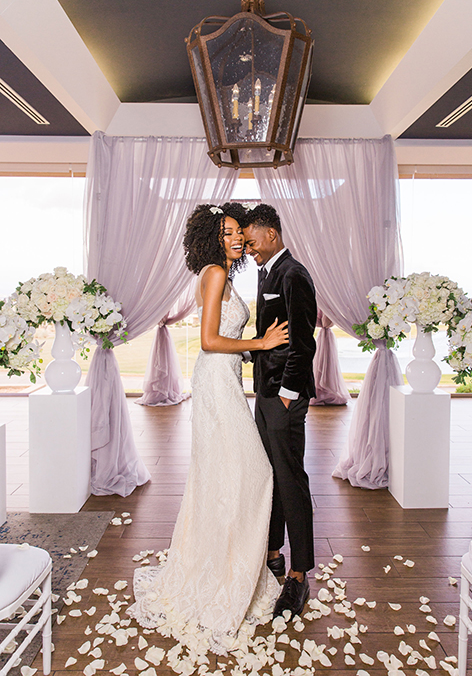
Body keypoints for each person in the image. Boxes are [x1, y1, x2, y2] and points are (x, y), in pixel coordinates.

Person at [128, 203, 288, 655]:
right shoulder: (215, 273)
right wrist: (260, 343)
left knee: (222, 474)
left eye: (239, 232)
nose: (237, 238)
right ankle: (227, 573)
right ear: (212, 237)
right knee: (254, 473)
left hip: (223, 379)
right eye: (229, 232)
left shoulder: (218, 272)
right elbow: (210, 340)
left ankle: (229, 566)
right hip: (217, 381)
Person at [240, 203, 317, 621]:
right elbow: (271, 336)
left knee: (291, 481)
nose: (248, 249)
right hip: (265, 394)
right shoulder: (268, 271)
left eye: (252, 242)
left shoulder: (293, 274)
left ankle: (299, 574)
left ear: (270, 234)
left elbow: (304, 342)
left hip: (283, 397)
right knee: (270, 476)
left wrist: (287, 393)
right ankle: (272, 553)